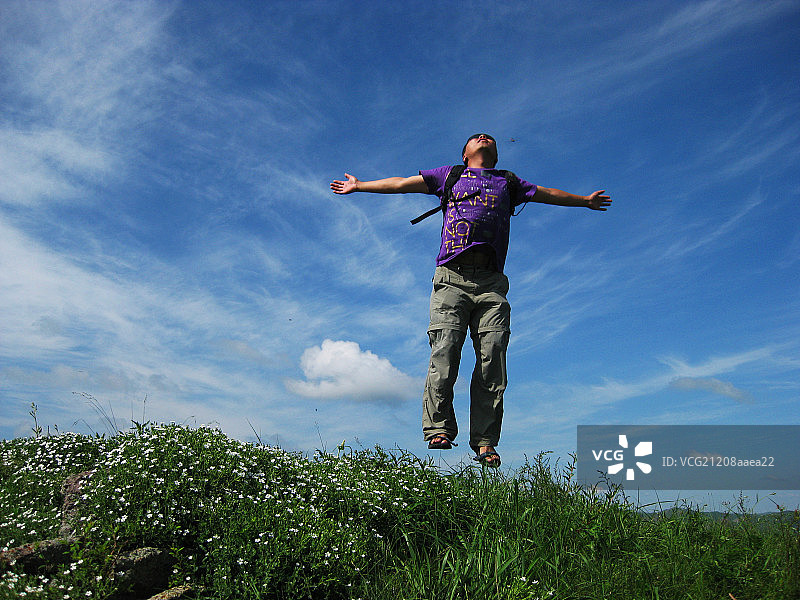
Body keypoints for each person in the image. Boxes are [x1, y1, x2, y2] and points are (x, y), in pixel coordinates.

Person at [330, 133, 610, 467]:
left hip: (492, 284)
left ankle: (485, 441)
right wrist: (360, 186)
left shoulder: (508, 182)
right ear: (465, 154)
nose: (483, 138)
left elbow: (547, 193)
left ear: (496, 154)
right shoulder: (449, 175)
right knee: (445, 351)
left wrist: (584, 201)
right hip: (452, 277)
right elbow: (402, 184)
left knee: (493, 358)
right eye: (476, 138)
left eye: (488, 138)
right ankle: (439, 428)